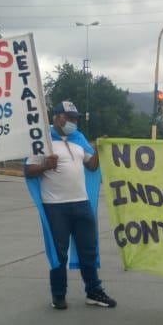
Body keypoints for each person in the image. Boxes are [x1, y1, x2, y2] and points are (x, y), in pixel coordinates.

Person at [25, 101, 115, 310]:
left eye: (75, 118)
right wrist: (45, 165)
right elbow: (28, 171)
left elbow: (91, 166)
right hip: (55, 206)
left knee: (88, 250)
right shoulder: (42, 140)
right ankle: (58, 295)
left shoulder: (78, 139)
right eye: (70, 118)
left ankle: (94, 292)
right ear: (57, 118)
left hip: (81, 203)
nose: (73, 122)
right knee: (59, 253)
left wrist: (99, 149)